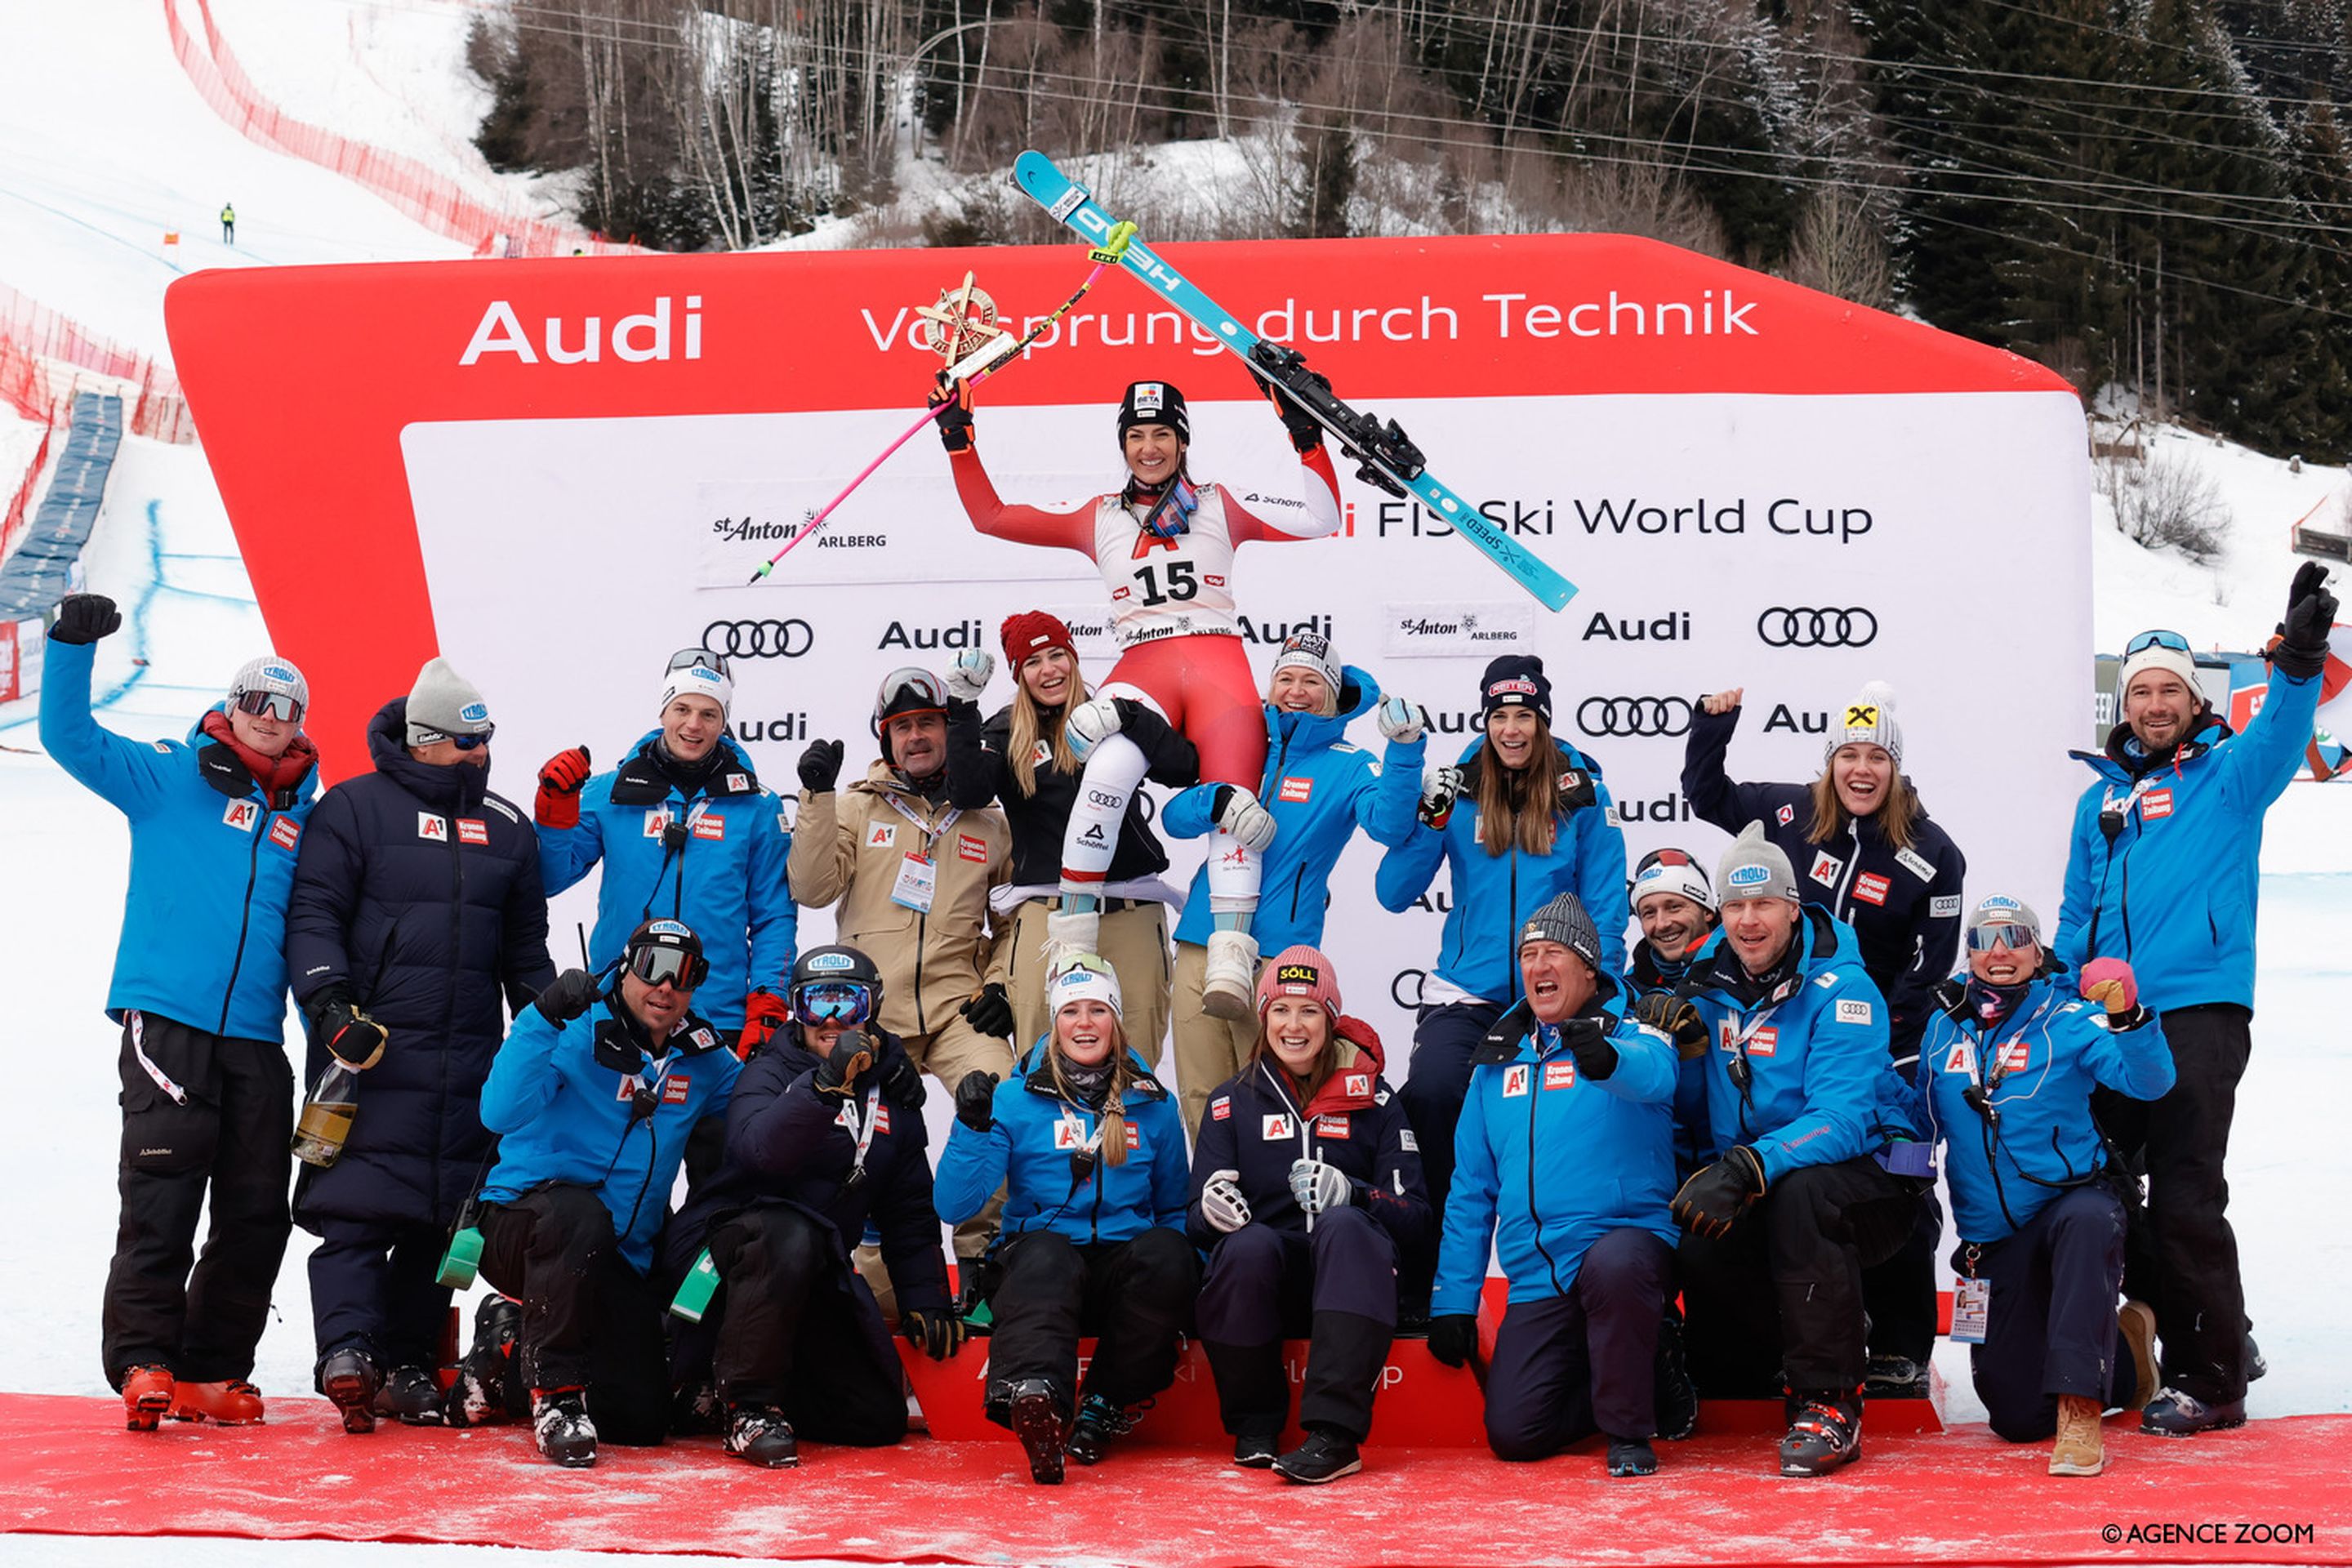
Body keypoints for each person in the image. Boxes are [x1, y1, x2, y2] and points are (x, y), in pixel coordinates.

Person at [935, 373, 1343, 1013]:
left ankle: (1231, 961)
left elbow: (1323, 518)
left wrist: (1303, 432)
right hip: (1145, 665)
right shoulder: (1099, 517)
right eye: (1136, 436)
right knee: (1105, 768)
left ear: (1183, 441)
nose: (1148, 448)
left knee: (1234, 802)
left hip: (1218, 664)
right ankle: (1072, 940)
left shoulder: (1218, 504)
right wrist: (958, 439)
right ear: (1122, 444)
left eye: (1161, 434)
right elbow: (991, 517)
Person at [2056, 564, 2336, 1435]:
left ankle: (2212, 1380)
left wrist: (2301, 659)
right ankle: (2225, 1331)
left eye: (2169, 689)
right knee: (2097, 1188)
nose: (2154, 704)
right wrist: (2057, 996)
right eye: (2140, 690)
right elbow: (2075, 913)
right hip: (2109, 1021)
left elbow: (2285, 734)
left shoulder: (2227, 778)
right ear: (2124, 703)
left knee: (2183, 1191)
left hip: (2199, 1011)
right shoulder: (2099, 798)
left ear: (2192, 700)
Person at [40, 594, 321, 1429]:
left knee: (257, 1206)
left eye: (287, 707)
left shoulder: (306, 813)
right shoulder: (170, 772)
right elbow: (71, 740)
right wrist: (67, 647)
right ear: (231, 707)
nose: (270, 718)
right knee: (164, 1191)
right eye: (256, 701)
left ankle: (212, 1369)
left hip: (256, 1038)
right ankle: (145, 1361)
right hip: (169, 1019)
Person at [286, 657, 555, 1433]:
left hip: (470, 1056)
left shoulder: (506, 827)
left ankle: (405, 1362)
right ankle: (346, 1353)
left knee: (444, 1220)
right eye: (467, 741)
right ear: (425, 740)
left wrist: (555, 1028)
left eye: (486, 738)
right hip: (370, 1054)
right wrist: (330, 1004)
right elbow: (314, 916)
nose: (481, 753)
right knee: (357, 1212)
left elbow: (526, 958)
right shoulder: (354, 810)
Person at [1684, 679, 1966, 1396]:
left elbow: (1928, 967)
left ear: (1895, 768)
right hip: (1785, 1022)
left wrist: (1882, 1047)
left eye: (1876, 756)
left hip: (1885, 1049)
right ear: (1829, 763)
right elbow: (1708, 795)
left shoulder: (1933, 853)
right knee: (1796, 1182)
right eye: (1848, 755)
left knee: (1903, 1180)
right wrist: (1712, 726)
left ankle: (1901, 1341)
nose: (1861, 769)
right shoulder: (1789, 813)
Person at [1646, 822, 1921, 1477]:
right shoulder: (1705, 991)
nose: (1748, 921)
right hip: (1763, 1173)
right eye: (1736, 906)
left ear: (1793, 909)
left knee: (1802, 1194)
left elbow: (1843, 1118)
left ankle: (1830, 1402)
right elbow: (1688, 1111)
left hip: (1871, 1181)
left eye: (1764, 904)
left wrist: (1746, 1165)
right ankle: (1747, 1365)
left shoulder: (1844, 991)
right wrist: (1668, 1050)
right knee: (1694, 1224)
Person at [1374, 654, 1629, 1306]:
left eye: (1524, 716)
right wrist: (1424, 820)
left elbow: (1603, 902)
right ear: (1485, 719)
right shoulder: (1459, 789)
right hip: (1467, 991)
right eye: (1499, 717)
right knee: (1430, 1097)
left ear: (1543, 720)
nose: (1511, 730)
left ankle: (1576, 1284)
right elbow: (1393, 894)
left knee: (1572, 1122)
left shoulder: (1581, 792)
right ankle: (1423, 1286)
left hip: (1553, 994)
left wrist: (1604, 993)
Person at [664, 944, 961, 1467]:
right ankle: (747, 1404)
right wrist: (823, 1088)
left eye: (845, 1003)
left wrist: (927, 1298)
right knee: (788, 1230)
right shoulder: (767, 1072)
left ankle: (741, 1383)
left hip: (812, 1265)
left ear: (870, 1009)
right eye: (815, 1004)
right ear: (796, 1013)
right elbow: (760, 1153)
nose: (829, 1020)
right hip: (721, 1255)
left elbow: (908, 1212)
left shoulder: (893, 1096)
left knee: (873, 1419)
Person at [1908, 897, 2173, 1477]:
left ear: (2036, 948)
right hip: (1994, 1238)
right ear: (1970, 951)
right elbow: (1919, 1116)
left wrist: (2129, 1017)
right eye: (1985, 939)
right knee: (2017, 1418)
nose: (2000, 951)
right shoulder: (1943, 1023)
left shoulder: (2070, 1017)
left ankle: (2082, 1415)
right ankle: (2127, 1352)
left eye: (2014, 937)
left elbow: (2149, 1082)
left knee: (2089, 1219)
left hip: (2065, 1208)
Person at [1425, 893, 1679, 1477]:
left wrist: (1605, 1058)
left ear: (1590, 969)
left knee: (1616, 1267)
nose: (1538, 967)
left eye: (1554, 953)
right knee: (1516, 1434)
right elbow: (1470, 1189)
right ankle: (1641, 1371)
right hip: (1539, 1274)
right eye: (1528, 955)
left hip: (1622, 1245)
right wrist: (1455, 1300)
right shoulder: (1497, 1059)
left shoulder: (1636, 1027)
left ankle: (1629, 1431)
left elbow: (1656, 1075)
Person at [472, 919, 739, 1465]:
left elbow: (759, 1105)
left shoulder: (701, 1057)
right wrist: (542, 1017)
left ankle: (510, 1344)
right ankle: (556, 1397)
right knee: (579, 1214)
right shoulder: (574, 1031)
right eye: (652, 968)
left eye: (683, 974)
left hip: (618, 1257)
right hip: (524, 1229)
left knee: (638, 1423)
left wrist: (822, 1076)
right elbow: (497, 1112)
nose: (665, 987)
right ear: (624, 969)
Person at [934, 957, 1196, 1485]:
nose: (1084, 1023)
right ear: (1053, 1022)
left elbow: (1173, 1209)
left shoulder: (1155, 1105)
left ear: (1116, 1020)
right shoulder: (1013, 1098)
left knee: (1171, 1252)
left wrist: (1191, 1284)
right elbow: (954, 1206)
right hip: (1039, 1267)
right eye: (1071, 1010)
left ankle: (1103, 1403)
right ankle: (1038, 1403)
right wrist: (970, 1128)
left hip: (1119, 1272)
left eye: (1098, 1009)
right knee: (1049, 1253)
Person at [789, 666, 1013, 1272]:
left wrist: (999, 985)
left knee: (1000, 1101)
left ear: (949, 730)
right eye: (903, 727)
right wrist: (816, 798)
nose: (916, 737)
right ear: (885, 739)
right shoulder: (858, 809)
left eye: (929, 724)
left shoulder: (988, 819)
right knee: (865, 1138)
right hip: (870, 1015)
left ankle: (983, 1267)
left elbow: (1013, 923)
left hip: (955, 1007)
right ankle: (869, 1282)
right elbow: (812, 889)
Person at [1163, 632, 1423, 1132]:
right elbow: (1175, 819)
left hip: (1276, 957)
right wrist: (1213, 802)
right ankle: (1207, 1205)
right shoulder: (1240, 738)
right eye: (1286, 678)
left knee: (1269, 1096)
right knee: (1199, 1094)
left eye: (1311, 681)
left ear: (1333, 693)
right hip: (1202, 939)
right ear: (1271, 684)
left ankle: (1274, 1209)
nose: (1296, 691)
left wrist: (1405, 752)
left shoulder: (1349, 764)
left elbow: (1389, 824)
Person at [1188, 946, 1428, 1483]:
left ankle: (1335, 1437)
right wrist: (1210, 1212)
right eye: (1280, 1009)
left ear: (1331, 1019)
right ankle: (1255, 1425)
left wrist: (1356, 1194)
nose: (1293, 1026)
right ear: (1262, 1015)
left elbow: (1415, 1219)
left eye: (1310, 1011)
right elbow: (1195, 1224)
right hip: (1270, 1286)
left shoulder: (1377, 1102)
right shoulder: (1231, 1102)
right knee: (1244, 1246)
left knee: (1345, 1225)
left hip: (1352, 1288)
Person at [955, 610, 1196, 1061]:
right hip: (1047, 916)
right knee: (1039, 1065)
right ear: (1018, 674)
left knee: (1135, 1063)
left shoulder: (1113, 711)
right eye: (1032, 662)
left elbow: (1184, 768)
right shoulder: (1006, 730)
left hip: (1129, 910)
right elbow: (967, 792)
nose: (1049, 670)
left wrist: (1129, 716)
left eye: (1057, 655)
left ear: (1073, 656)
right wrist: (962, 707)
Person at [534, 649, 796, 1053]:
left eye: (709, 714)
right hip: (617, 1007)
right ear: (663, 712)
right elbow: (550, 879)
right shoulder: (609, 792)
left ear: (724, 721)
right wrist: (555, 810)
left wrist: (767, 1004)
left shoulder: (759, 807)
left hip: (716, 1014)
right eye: (682, 709)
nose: (693, 725)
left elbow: (774, 916)